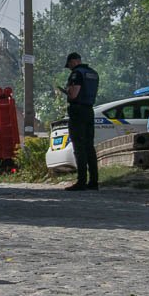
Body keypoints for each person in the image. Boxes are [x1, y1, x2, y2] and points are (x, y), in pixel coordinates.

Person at [64, 51, 100, 191]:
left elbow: (74, 94)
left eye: (70, 64)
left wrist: (68, 90)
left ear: (74, 61)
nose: (70, 67)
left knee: (79, 147)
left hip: (77, 111)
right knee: (89, 146)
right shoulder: (93, 73)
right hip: (89, 110)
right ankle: (94, 181)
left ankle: (81, 181)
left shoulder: (77, 74)